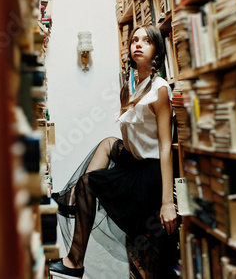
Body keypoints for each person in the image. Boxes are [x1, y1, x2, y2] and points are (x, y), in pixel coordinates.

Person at [50, 25, 178, 279]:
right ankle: (74, 198)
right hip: (135, 159)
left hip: (150, 171)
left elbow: (165, 146)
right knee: (109, 141)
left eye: (146, 41)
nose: (137, 44)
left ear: (157, 50)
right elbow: (133, 135)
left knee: (88, 183)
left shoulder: (159, 89)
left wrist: (167, 202)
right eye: (134, 40)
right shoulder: (134, 85)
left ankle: (75, 260)